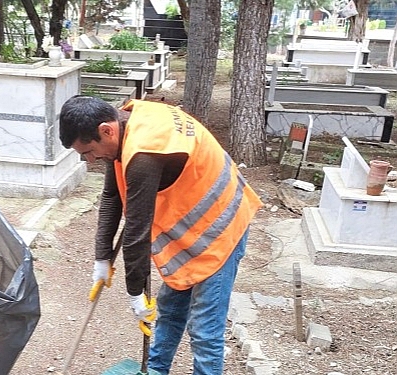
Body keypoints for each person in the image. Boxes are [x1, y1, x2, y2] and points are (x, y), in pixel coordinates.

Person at [58, 96, 263, 375]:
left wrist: (134, 293)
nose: (91, 160)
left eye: (90, 151)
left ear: (106, 130)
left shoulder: (145, 152)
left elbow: (137, 232)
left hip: (220, 229)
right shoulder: (125, 123)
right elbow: (111, 195)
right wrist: (102, 259)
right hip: (192, 230)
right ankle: (155, 370)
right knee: (171, 309)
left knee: (205, 330)